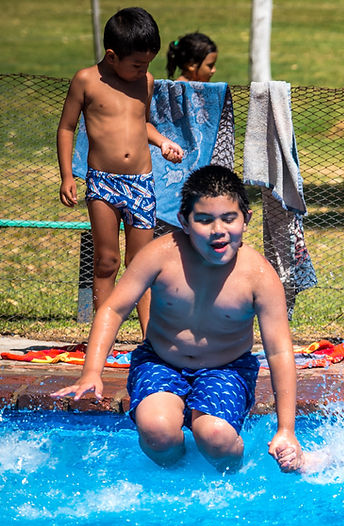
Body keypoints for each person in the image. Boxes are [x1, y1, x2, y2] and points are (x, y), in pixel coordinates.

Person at [52, 165, 303, 473]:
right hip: (161, 361)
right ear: (184, 221)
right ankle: (181, 476)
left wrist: (286, 430)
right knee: (157, 431)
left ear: (246, 219)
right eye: (204, 220)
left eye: (229, 218)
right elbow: (113, 309)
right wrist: (92, 371)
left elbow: (279, 351)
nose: (218, 230)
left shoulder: (259, 276)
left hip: (225, 368)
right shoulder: (161, 255)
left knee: (215, 437)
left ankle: (236, 471)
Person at [56, 7, 185, 336]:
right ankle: (104, 333)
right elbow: (67, 128)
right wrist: (68, 175)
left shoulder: (146, 81)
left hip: (140, 183)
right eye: (138, 64)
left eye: (148, 64)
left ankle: (150, 338)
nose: (144, 70)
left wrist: (162, 142)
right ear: (112, 56)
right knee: (107, 260)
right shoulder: (87, 80)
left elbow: (141, 122)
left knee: (141, 264)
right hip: (103, 183)